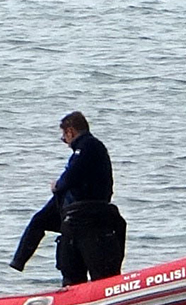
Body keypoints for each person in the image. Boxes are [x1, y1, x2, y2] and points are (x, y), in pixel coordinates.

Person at [10, 111, 127, 286]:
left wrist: (57, 185)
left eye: (64, 136)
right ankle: (18, 261)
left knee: (39, 220)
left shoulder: (88, 146)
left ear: (70, 132)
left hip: (86, 207)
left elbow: (71, 176)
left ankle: (18, 261)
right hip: (73, 207)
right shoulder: (88, 149)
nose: (65, 142)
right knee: (39, 220)